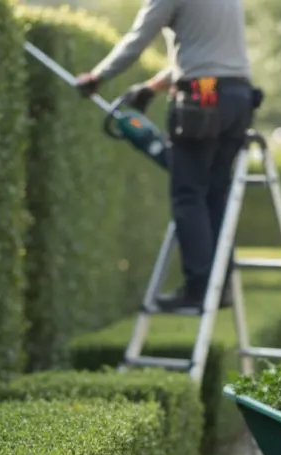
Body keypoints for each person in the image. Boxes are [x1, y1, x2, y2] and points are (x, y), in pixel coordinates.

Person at [75, 0, 256, 313]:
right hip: (238, 98)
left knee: (188, 194)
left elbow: (137, 39)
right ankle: (220, 285)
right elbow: (205, 56)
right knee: (216, 193)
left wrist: (96, 77)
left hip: (202, 101)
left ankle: (198, 288)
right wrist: (150, 88)